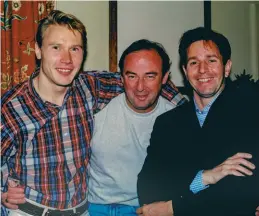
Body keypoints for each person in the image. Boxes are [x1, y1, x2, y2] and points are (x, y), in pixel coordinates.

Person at [1, 10, 180, 216]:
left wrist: (188, 110)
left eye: (74, 49)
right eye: (56, 47)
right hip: (29, 211)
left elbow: (144, 82)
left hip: (81, 211)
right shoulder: (12, 106)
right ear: (38, 50)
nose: (66, 59)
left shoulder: (89, 87)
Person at [137, 27, 259, 216]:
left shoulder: (250, 114)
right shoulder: (167, 123)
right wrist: (205, 177)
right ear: (185, 71)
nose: (203, 70)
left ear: (227, 67)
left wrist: (172, 208)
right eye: (194, 62)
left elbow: (241, 195)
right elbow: (148, 189)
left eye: (211, 60)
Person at [87, 39, 186, 216]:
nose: (140, 87)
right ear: (122, 78)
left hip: (146, 209)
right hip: (94, 207)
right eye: (132, 76)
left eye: (150, 76)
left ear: (164, 78)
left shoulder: (177, 119)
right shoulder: (97, 108)